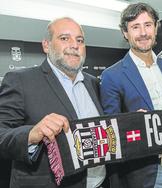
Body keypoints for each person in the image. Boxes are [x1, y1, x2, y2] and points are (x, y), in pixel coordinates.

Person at [0, 17, 106, 188]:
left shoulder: (93, 83)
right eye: (64, 38)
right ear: (46, 45)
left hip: (99, 183)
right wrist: (31, 134)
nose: (74, 45)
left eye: (80, 40)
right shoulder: (20, 80)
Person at [100, 3, 162, 188]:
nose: (143, 33)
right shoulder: (112, 75)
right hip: (146, 173)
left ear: (156, 27)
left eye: (148, 25)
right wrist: (132, 120)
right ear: (125, 33)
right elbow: (109, 125)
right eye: (135, 27)